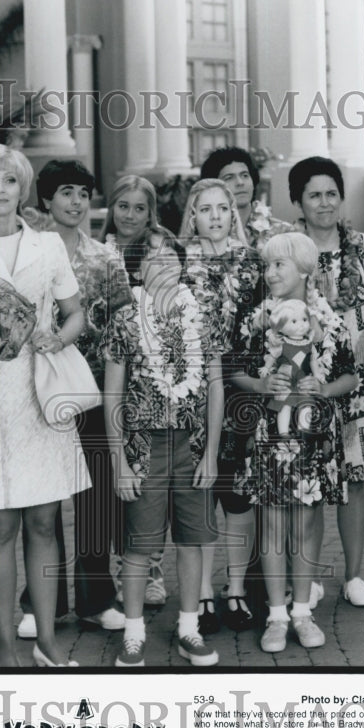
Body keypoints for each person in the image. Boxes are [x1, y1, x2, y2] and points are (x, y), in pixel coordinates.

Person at [0, 143, 90, 668]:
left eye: (9, 181)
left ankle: (48, 643)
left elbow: (74, 313)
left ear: (22, 188)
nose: (0, 191)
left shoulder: (50, 247)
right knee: (0, 528)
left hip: (43, 389)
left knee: (43, 522)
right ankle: (8, 644)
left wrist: (59, 338)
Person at [15, 159, 131, 639]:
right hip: (38, 386)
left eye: (83, 193)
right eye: (65, 192)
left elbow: (124, 324)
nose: (76, 202)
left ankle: (95, 598)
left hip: (93, 389)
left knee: (95, 496)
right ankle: (38, 601)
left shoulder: (106, 258)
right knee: (41, 495)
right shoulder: (27, 254)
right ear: (45, 199)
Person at [231, 233, 358, 653]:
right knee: (271, 525)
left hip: (312, 436)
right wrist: (263, 382)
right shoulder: (257, 319)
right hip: (271, 435)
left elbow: (350, 376)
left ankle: (302, 612)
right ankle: (276, 616)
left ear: (304, 270)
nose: (270, 274)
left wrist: (324, 389)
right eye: (267, 266)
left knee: (305, 525)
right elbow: (238, 372)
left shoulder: (330, 322)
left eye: (278, 265)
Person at [101, 232, 223, 667]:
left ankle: (189, 628)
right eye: (153, 259)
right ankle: (134, 633)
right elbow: (112, 396)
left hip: (191, 444)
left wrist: (211, 453)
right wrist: (119, 462)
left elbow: (214, 386)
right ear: (139, 270)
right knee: (139, 544)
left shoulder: (202, 315)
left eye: (171, 258)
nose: (163, 265)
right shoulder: (125, 320)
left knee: (192, 541)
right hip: (142, 445)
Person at [288, 156, 364, 606]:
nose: (325, 202)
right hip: (307, 382)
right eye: (314, 194)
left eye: (331, 192)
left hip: (357, 382)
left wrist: (353, 341)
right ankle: (308, 580)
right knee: (309, 480)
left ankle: (353, 577)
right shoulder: (289, 249)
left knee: (354, 477)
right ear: (298, 200)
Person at [179, 178, 262, 634]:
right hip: (192, 391)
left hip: (241, 390)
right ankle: (203, 594)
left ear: (234, 213)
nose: (214, 216)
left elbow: (260, 329)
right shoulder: (181, 265)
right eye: (204, 208)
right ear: (192, 215)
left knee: (236, 490)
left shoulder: (252, 264)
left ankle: (235, 591)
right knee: (199, 491)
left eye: (222, 208)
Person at [100, 175, 172, 605]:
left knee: (150, 480)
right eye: (122, 205)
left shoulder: (159, 250)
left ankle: (152, 567)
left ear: (151, 212)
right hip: (105, 372)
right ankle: (121, 564)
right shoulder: (98, 250)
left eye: (138, 208)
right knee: (115, 476)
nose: (129, 214)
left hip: (152, 383)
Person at [200, 146, 293, 252]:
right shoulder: (204, 236)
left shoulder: (282, 232)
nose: (240, 182)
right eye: (229, 177)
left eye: (245, 175)